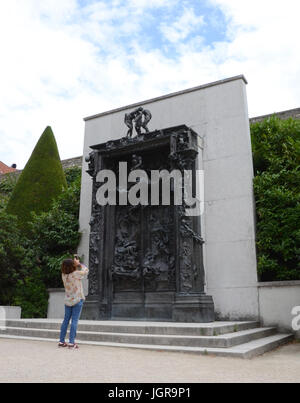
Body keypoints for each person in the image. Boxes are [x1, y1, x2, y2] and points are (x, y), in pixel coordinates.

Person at [58, 256, 89, 349]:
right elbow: (86, 270)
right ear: (72, 266)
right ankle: (71, 342)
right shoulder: (76, 274)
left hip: (67, 300)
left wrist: (74, 264)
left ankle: (61, 341)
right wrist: (79, 264)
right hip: (77, 299)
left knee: (66, 321)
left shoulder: (63, 275)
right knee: (74, 321)